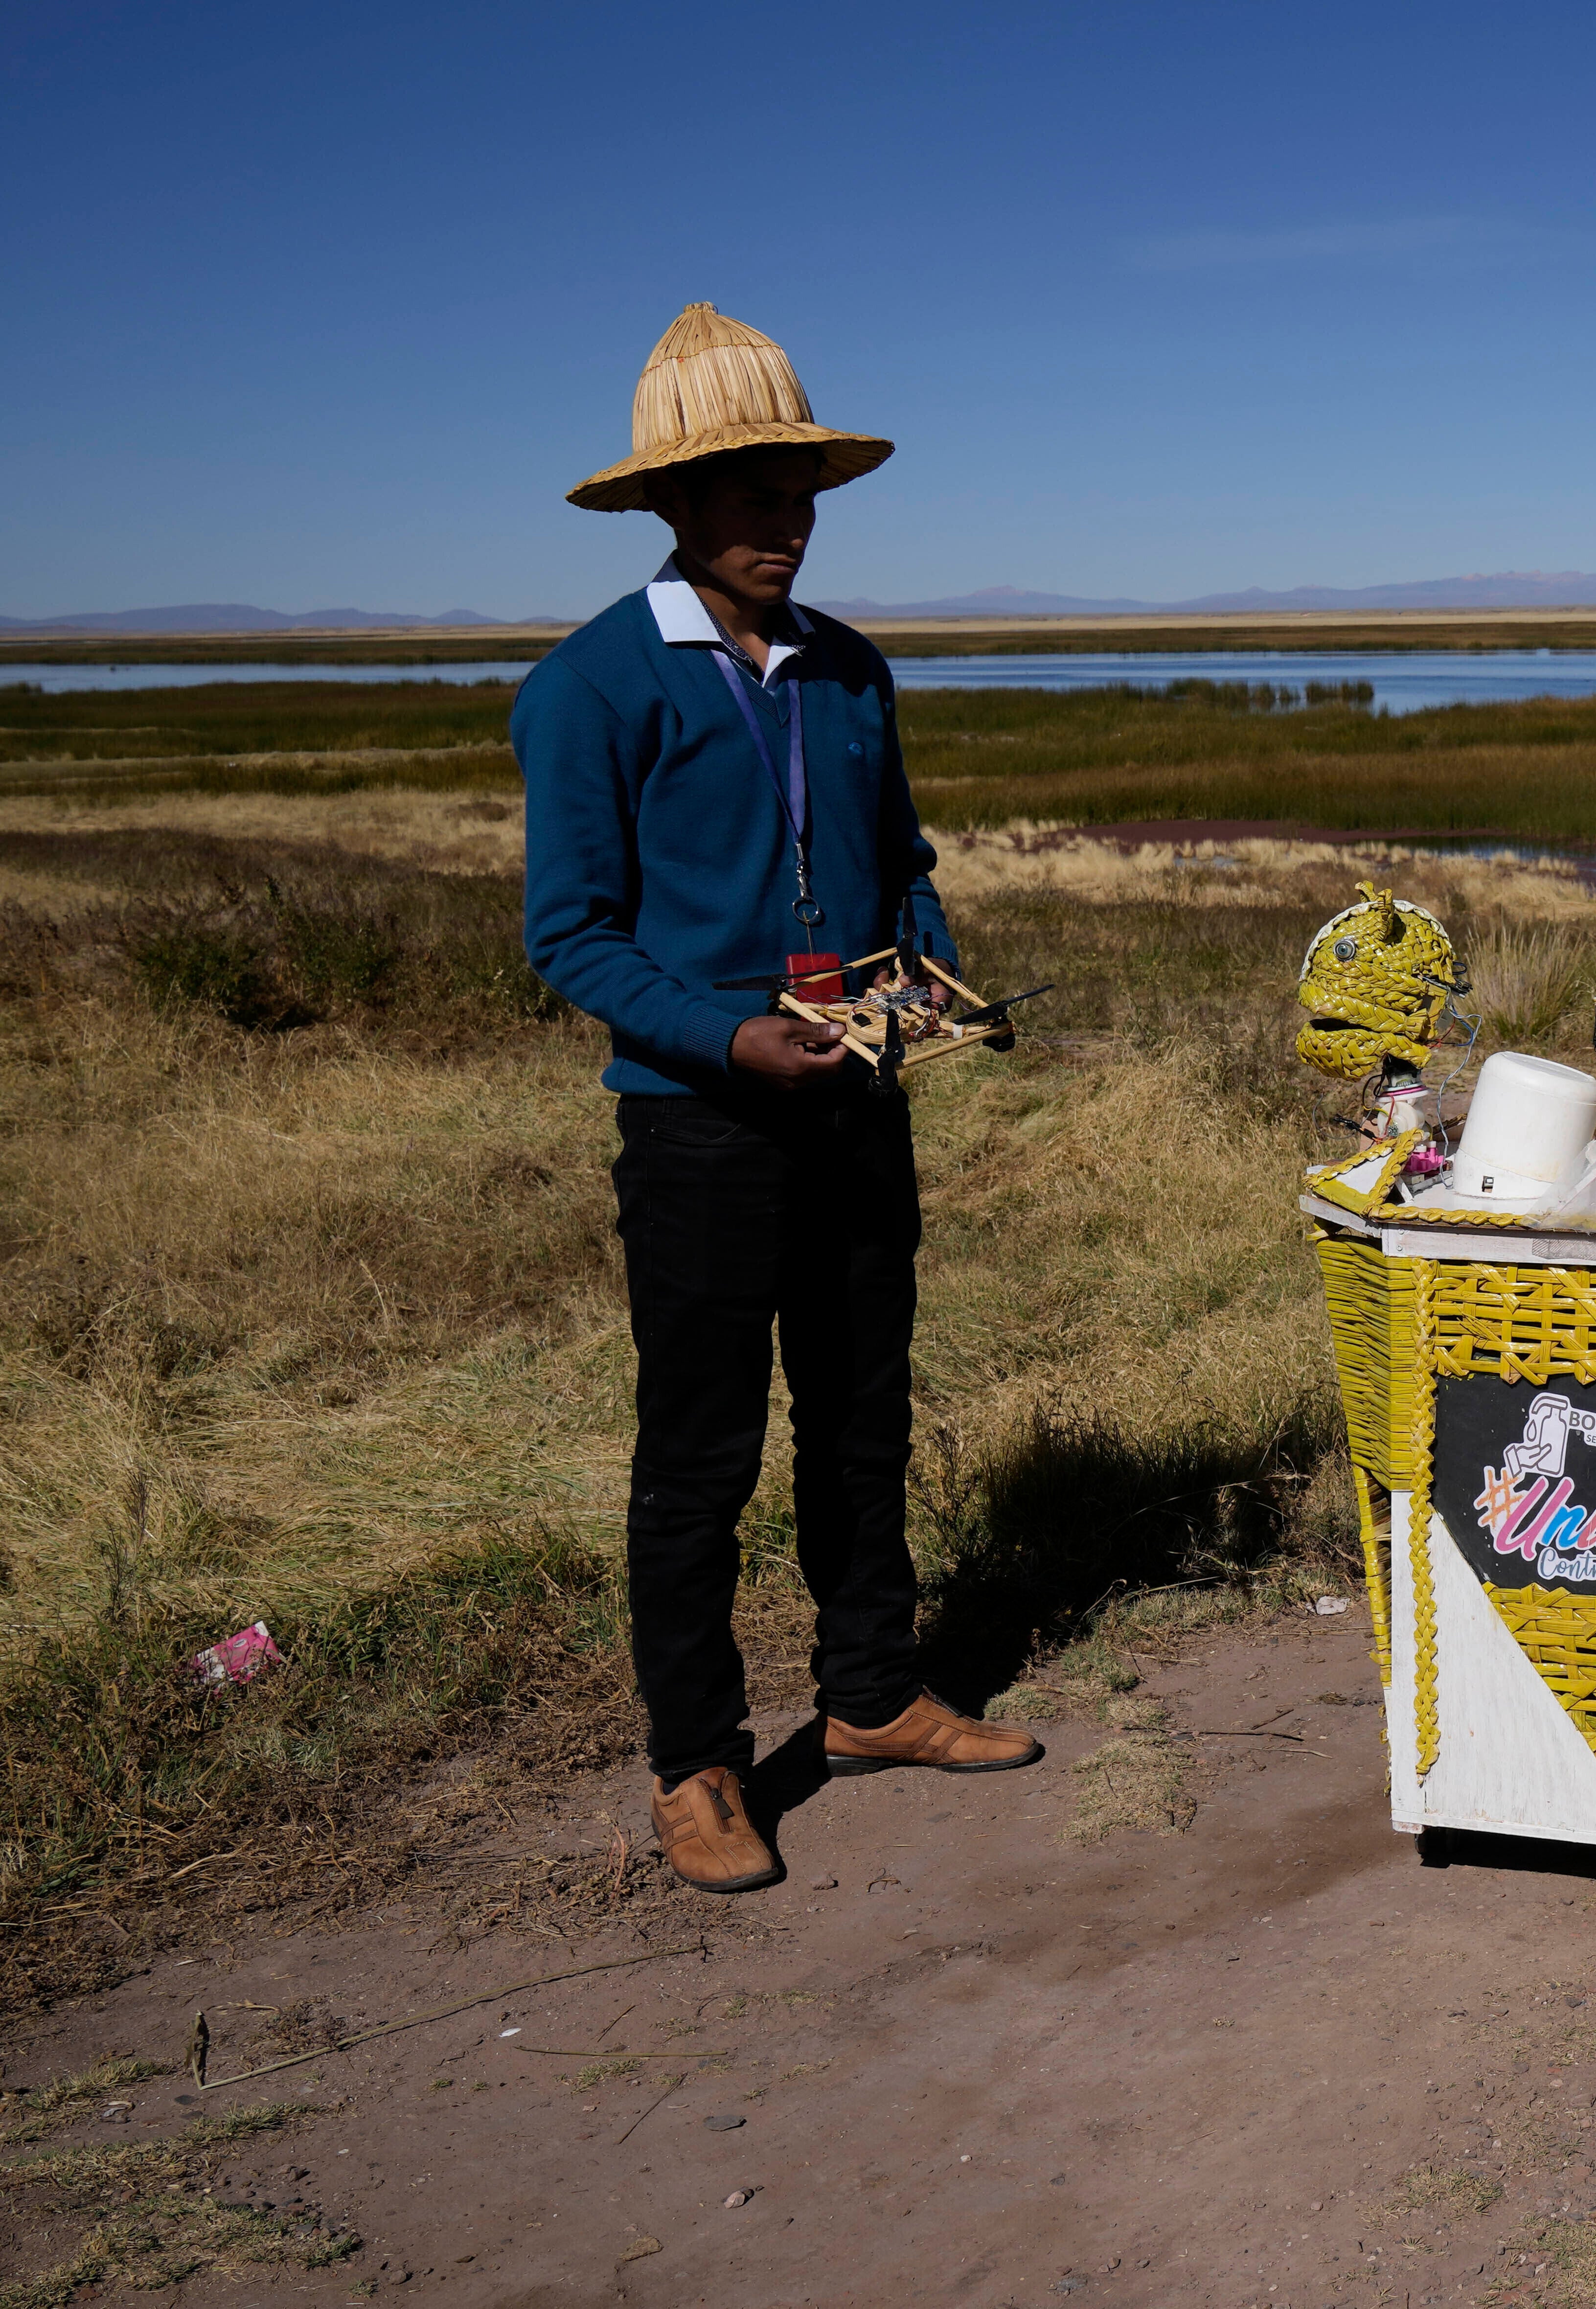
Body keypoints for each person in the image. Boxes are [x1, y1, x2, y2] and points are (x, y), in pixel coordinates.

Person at [518, 303, 1040, 1897]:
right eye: (750, 495)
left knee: (863, 1417)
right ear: (673, 505)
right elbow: (572, 938)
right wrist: (729, 1038)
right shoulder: (592, 687)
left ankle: (873, 1694)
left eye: (798, 492)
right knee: (700, 1460)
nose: (784, 523)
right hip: (702, 1126)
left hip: (858, 1104)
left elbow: (903, 868)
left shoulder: (850, 670)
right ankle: (697, 1766)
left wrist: (930, 984)